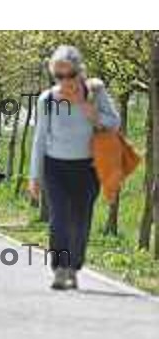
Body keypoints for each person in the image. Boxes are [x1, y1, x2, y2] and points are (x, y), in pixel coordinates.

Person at [29, 45, 120, 290]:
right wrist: (34, 177)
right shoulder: (47, 100)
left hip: (87, 168)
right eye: (59, 76)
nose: (65, 81)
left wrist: (94, 116)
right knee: (58, 217)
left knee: (80, 220)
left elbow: (114, 122)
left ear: (79, 72)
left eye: (69, 75)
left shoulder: (95, 94)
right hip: (55, 167)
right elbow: (39, 138)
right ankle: (59, 269)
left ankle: (74, 267)